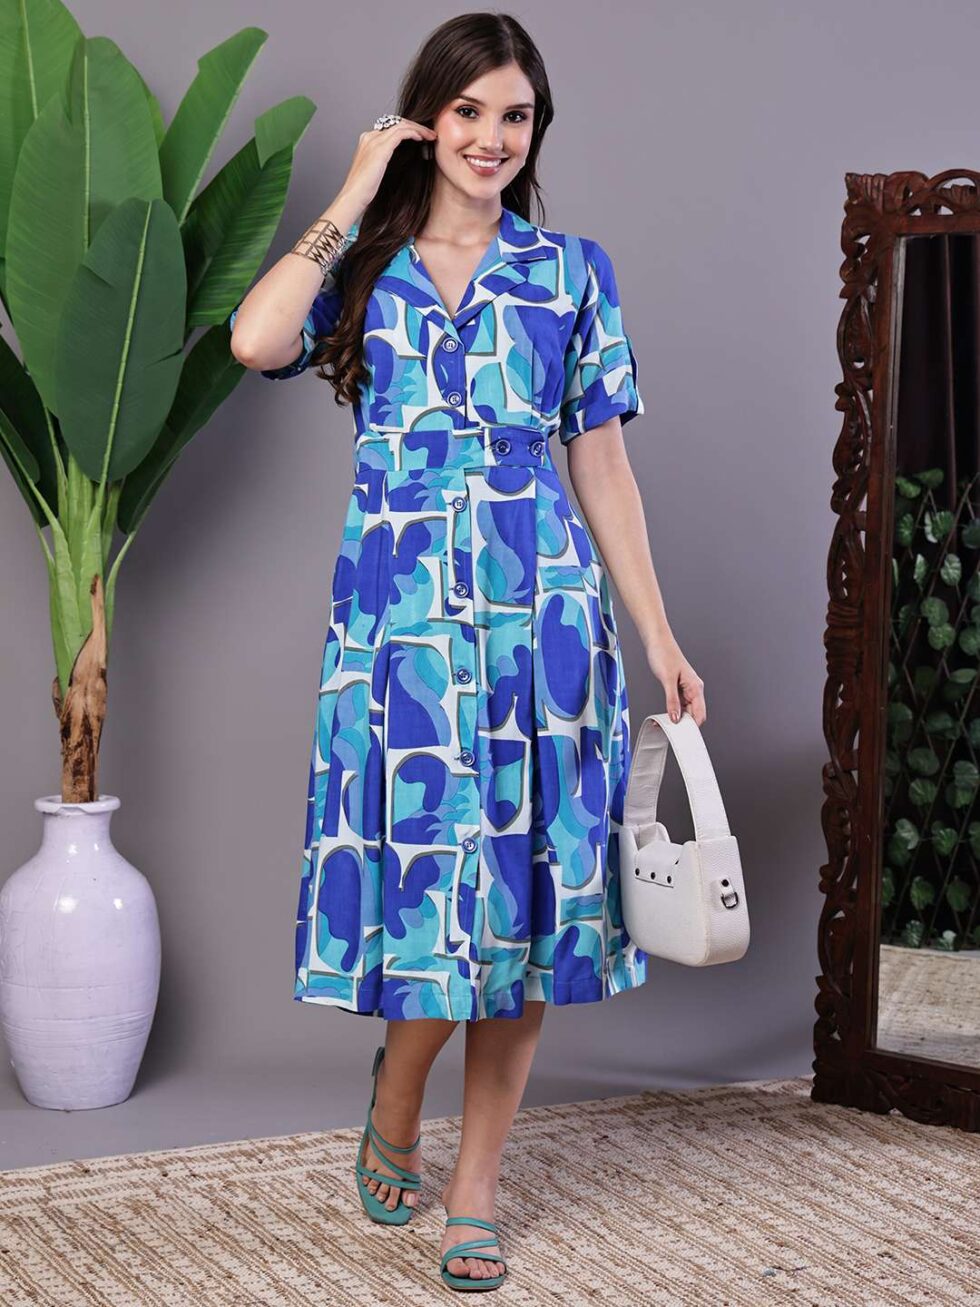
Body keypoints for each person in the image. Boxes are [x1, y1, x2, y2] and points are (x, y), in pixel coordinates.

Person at [230, 10, 706, 1293]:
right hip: (397, 634)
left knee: (526, 906)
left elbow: (602, 469)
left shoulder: (570, 272)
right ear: (424, 119)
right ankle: (397, 1090)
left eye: (516, 117)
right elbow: (255, 340)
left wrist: (656, 635)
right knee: (430, 893)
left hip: (540, 622)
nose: (493, 138)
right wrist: (351, 192)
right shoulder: (363, 269)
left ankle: (476, 1182)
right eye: (468, 112)